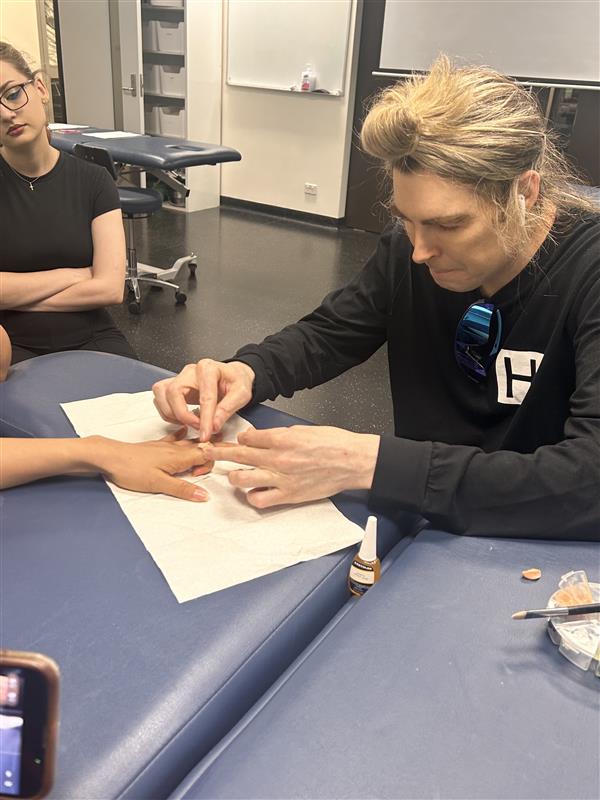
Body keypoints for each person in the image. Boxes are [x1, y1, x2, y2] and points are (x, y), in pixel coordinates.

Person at [152, 56, 600, 540]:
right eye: (407, 219)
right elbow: (331, 333)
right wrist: (247, 370)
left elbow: (589, 482)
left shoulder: (589, 270)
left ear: (524, 192)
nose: (420, 251)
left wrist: (367, 462)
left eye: (449, 225)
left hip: (537, 541)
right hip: (425, 517)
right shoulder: (408, 248)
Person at [0, 42, 135, 364]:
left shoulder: (94, 180)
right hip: (10, 344)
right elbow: (96, 282)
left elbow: (109, 289)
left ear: (40, 88)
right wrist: (75, 275)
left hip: (93, 336)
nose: (5, 113)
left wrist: (13, 295)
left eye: (13, 94)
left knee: (142, 396)